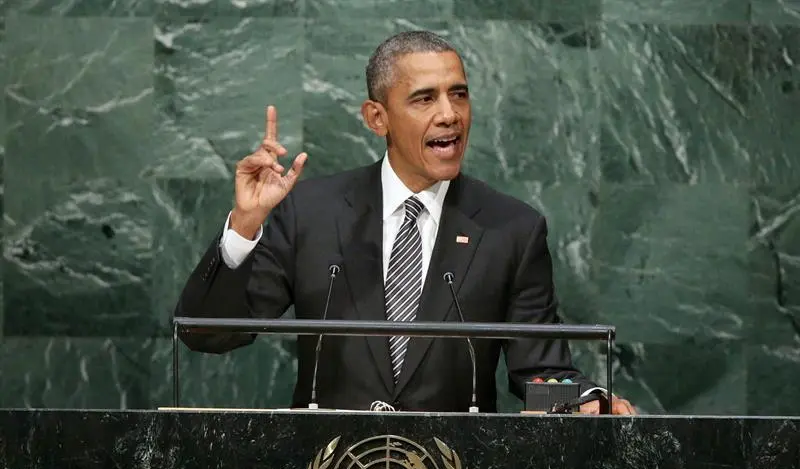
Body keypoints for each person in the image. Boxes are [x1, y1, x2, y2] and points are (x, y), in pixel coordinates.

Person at [175, 31, 634, 415]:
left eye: (459, 94)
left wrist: (583, 400)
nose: (449, 114)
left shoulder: (512, 229)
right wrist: (244, 225)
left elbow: (538, 368)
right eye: (424, 98)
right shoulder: (311, 213)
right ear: (377, 118)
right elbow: (208, 333)